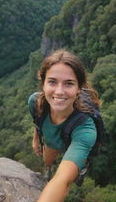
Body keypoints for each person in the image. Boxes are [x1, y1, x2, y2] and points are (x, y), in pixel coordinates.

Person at [28, 49, 101, 202]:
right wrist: (36, 139)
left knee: (63, 178)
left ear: (79, 88)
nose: (59, 91)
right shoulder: (35, 102)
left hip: (74, 141)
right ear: (43, 84)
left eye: (68, 83)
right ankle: (48, 171)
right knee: (47, 161)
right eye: (52, 82)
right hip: (51, 142)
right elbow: (37, 121)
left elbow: (62, 181)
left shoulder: (85, 129)